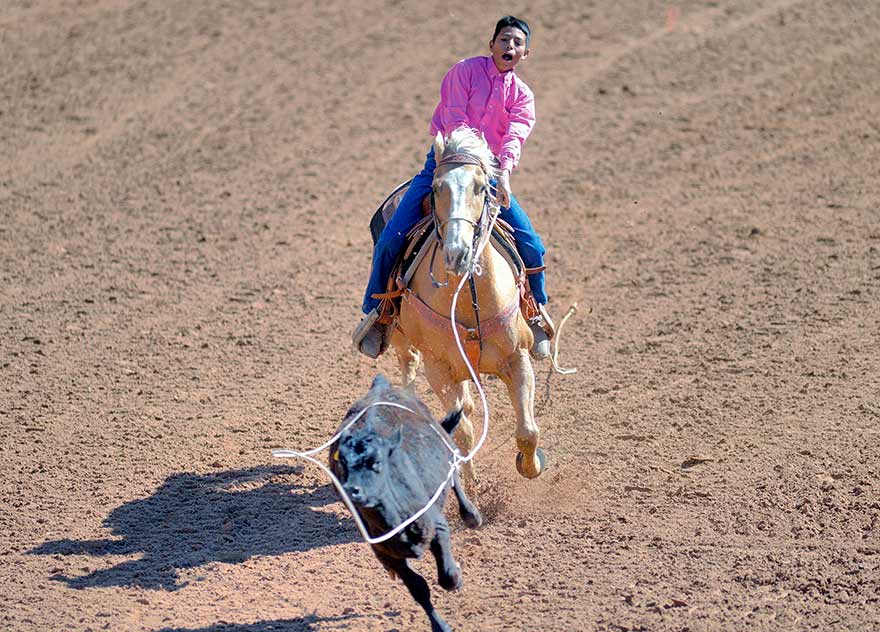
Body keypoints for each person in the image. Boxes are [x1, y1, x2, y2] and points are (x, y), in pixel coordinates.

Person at [354, 15, 554, 360]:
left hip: (486, 175)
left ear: (526, 53)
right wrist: (464, 158)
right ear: (491, 44)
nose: (510, 47)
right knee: (390, 238)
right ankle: (378, 315)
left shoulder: (523, 96)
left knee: (532, 245)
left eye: (517, 43)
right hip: (444, 163)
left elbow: (515, 136)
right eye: (504, 40)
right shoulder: (463, 72)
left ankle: (534, 312)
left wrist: (503, 172)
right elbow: (454, 118)